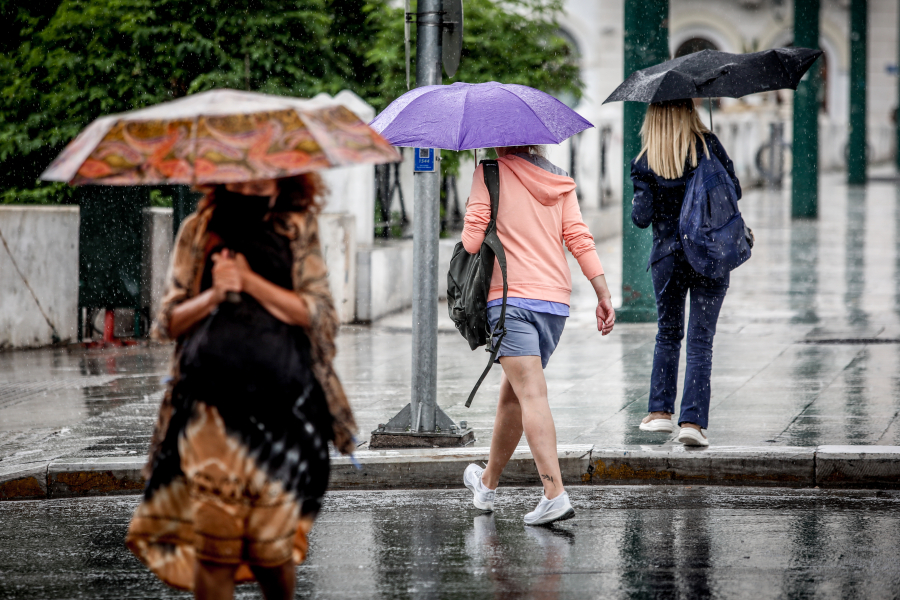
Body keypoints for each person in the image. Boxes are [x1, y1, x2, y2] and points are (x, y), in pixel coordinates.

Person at [126, 176, 357, 600]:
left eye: (262, 179)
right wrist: (215, 292)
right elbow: (169, 322)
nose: (251, 187)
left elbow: (320, 315)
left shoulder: (295, 227)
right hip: (209, 415)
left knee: (271, 554)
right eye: (241, 180)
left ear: (282, 177)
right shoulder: (199, 229)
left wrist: (251, 283)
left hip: (284, 412)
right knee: (214, 552)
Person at [461, 146, 615, 525]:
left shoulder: (489, 173)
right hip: (553, 305)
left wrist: (483, 206)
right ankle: (487, 483)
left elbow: (471, 242)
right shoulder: (558, 179)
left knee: (530, 393)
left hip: (510, 298)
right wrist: (603, 293)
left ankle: (554, 493)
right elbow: (578, 238)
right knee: (512, 395)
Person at [631, 99, 741, 446]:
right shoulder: (708, 146)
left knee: (668, 334)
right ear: (689, 112)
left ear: (653, 118)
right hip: (708, 255)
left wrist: (645, 192)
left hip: (668, 258)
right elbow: (734, 192)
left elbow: (641, 217)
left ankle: (660, 412)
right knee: (700, 342)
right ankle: (692, 422)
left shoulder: (645, 161)